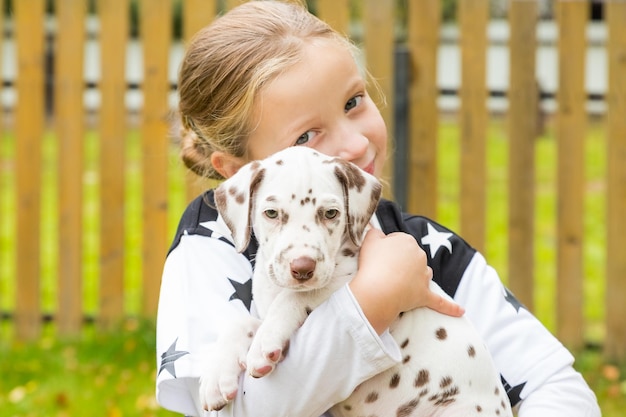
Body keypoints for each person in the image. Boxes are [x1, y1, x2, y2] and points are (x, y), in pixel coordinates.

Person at [155, 1, 601, 416]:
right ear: (239, 169)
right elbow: (235, 409)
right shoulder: (207, 247)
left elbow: (557, 386)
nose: (355, 143)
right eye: (306, 137)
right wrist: (373, 301)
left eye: (353, 102)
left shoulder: (430, 252)